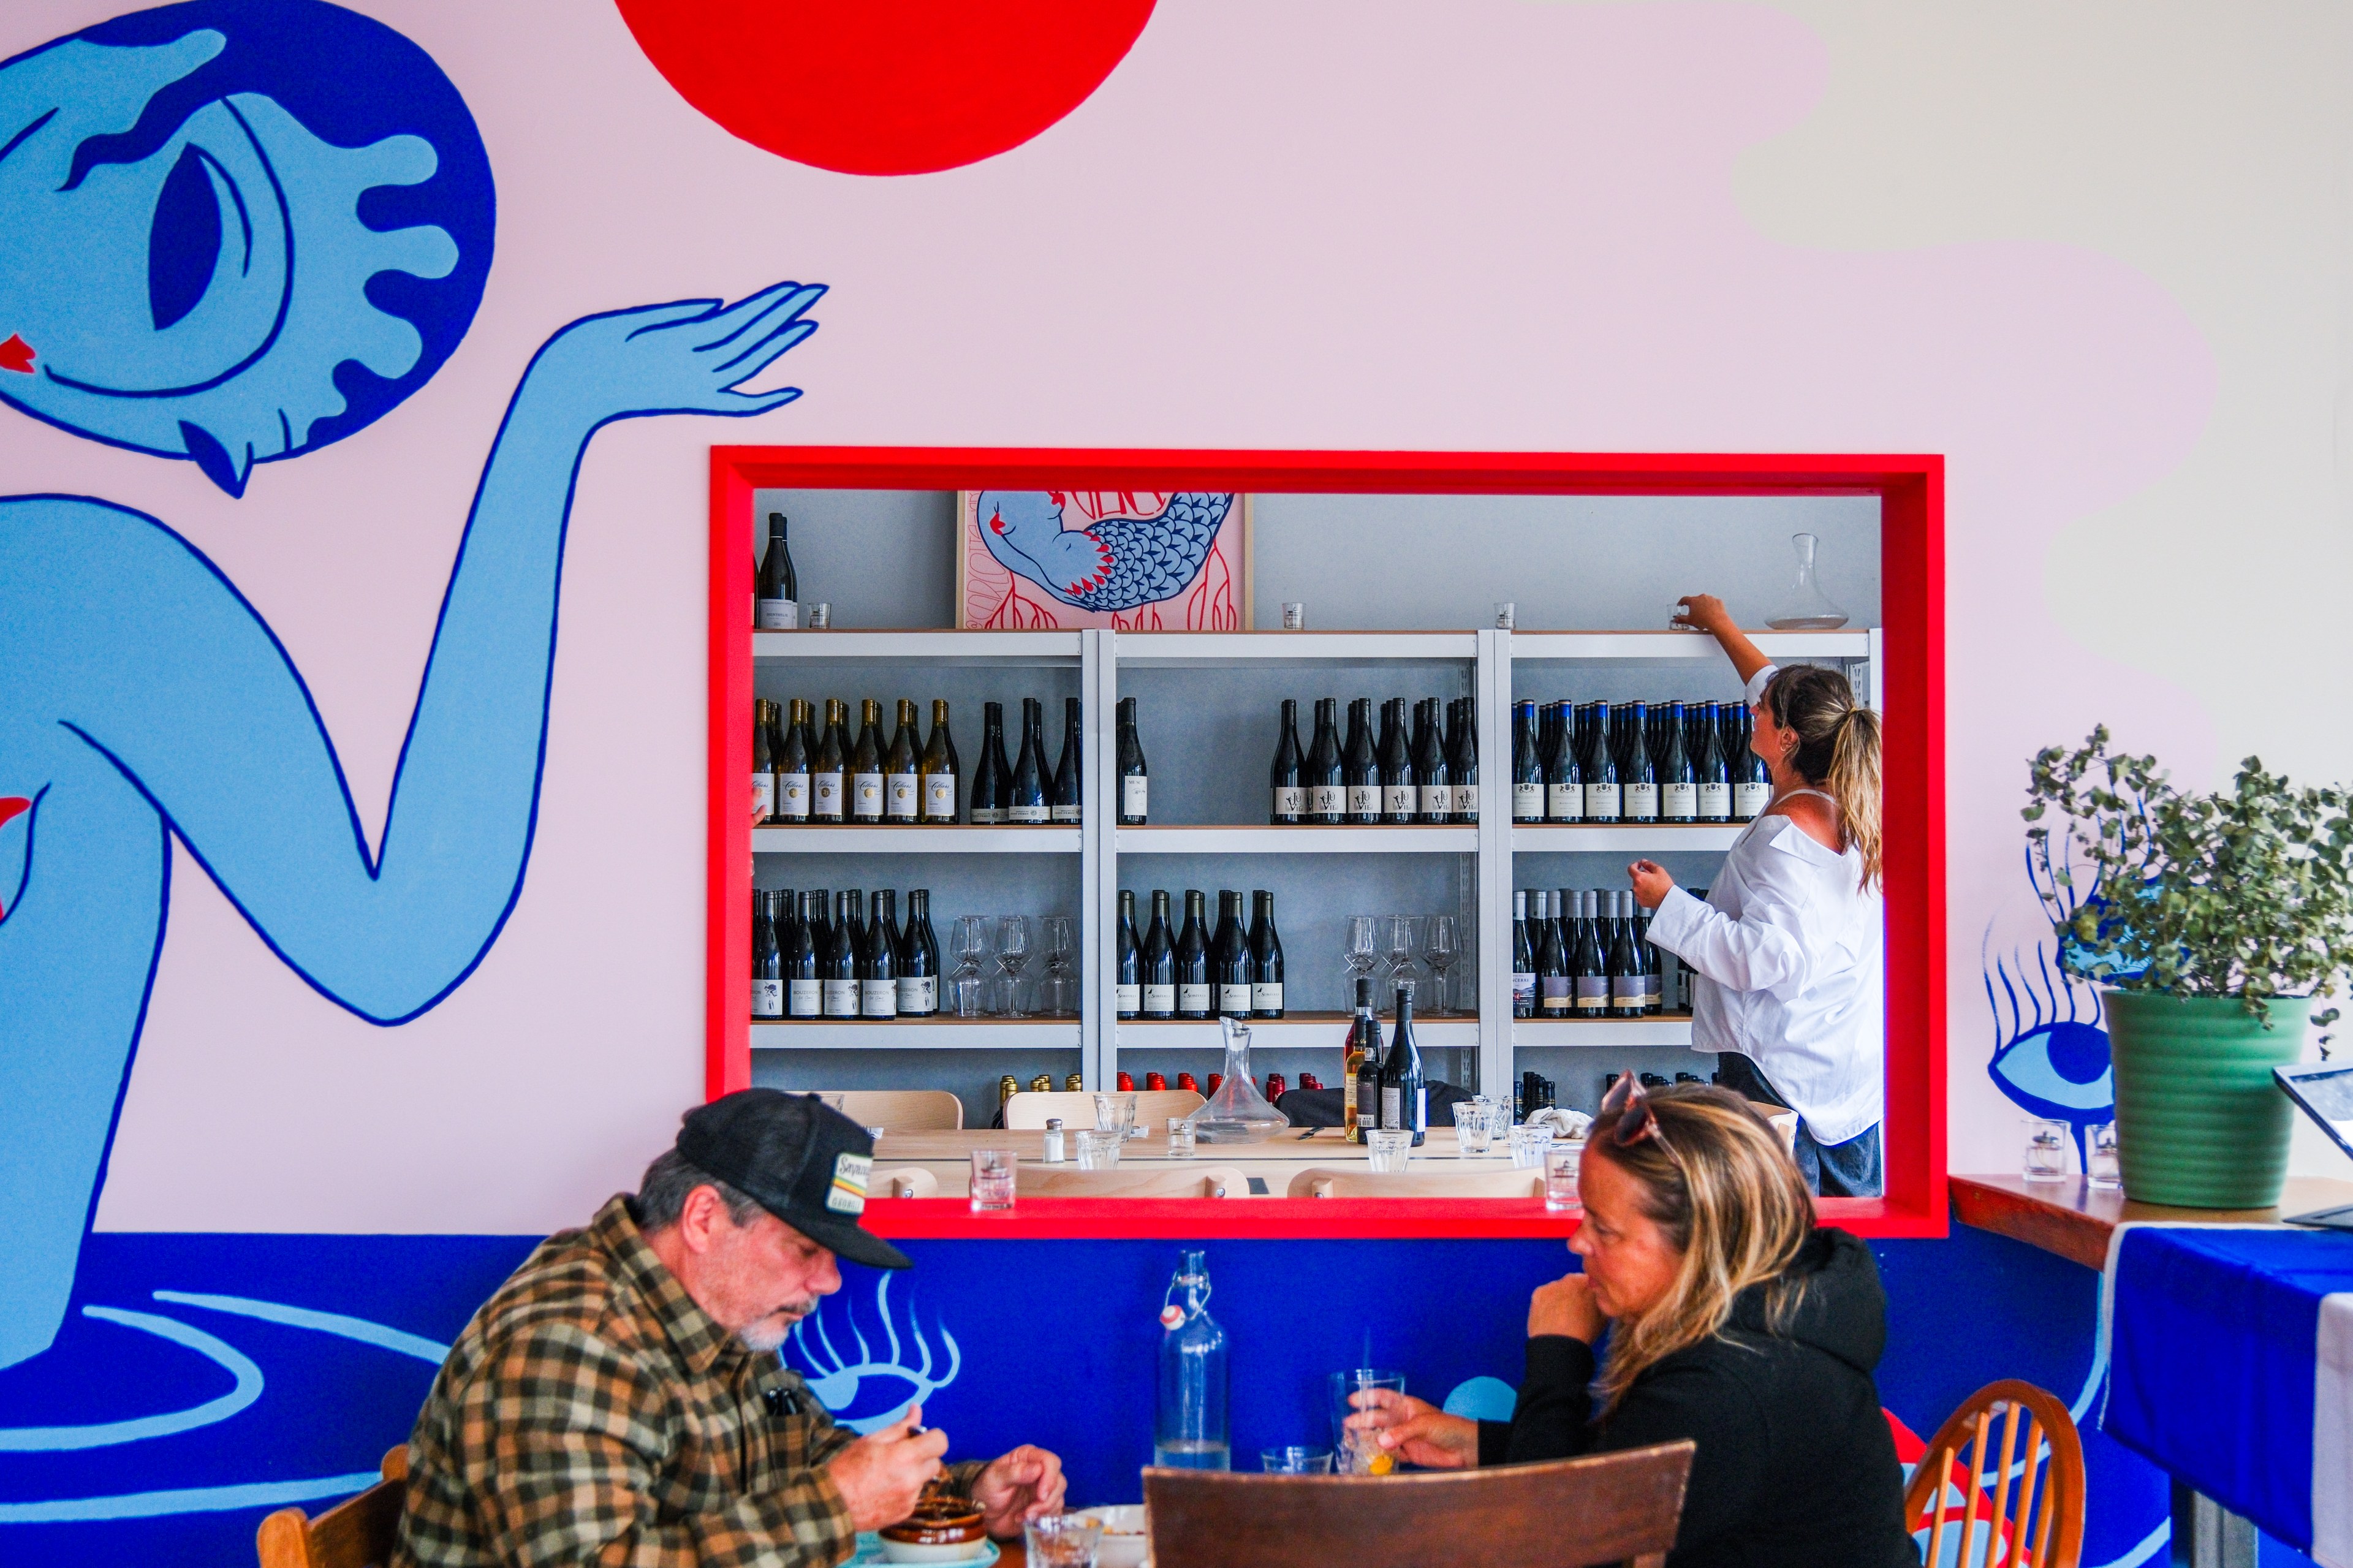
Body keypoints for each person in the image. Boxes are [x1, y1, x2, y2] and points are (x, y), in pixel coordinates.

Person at [395, 1091, 1066, 1567]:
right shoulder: (570, 1344)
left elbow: (812, 1453)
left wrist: (969, 1498)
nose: (830, 1281)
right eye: (806, 1249)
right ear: (705, 1219)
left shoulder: (719, 1318)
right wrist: (833, 1507)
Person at [1347, 1082, 1918, 1568]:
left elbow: (1551, 1542)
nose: (1577, 1243)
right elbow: (1632, 1467)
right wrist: (1475, 1444)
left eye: (1605, 1229)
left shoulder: (1728, 1387)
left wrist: (1557, 1350)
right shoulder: (1762, 1327)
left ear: (1698, 1242)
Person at [1635, 592, 1885, 1195]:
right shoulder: (1846, 810)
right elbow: (1773, 686)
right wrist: (1719, 623)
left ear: (1790, 739)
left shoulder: (1785, 838)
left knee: (1775, 1244)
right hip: (1841, 1069)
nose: (1750, 714)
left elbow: (1770, 960)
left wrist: (1669, 903)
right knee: (1844, 1240)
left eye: (1761, 714)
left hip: (1780, 1075)